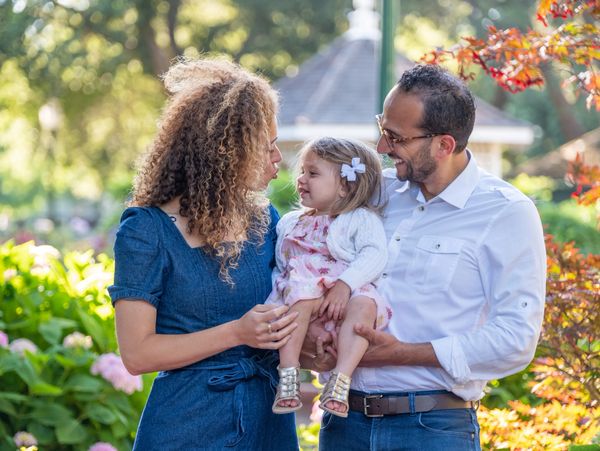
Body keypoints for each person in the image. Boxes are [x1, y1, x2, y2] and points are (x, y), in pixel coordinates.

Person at [307, 64, 546, 450]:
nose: (382, 149)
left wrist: (401, 355)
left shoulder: (506, 212)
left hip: (432, 429)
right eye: (383, 130)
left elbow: (516, 338)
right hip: (342, 425)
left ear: (444, 145)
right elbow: (310, 256)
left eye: (396, 138)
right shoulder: (371, 193)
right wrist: (312, 338)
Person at [108, 58, 299, 450]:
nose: (278, 158)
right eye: (267, 146)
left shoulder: (267, 220)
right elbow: (137, 354)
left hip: (268, 422)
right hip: (187, 426)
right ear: (227, 149)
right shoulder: (146, 231)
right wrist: (237, 332)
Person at [267, 137, 392, 418]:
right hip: (301, 299)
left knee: (367, 305)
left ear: (345, 185)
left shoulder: (359, 218)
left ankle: (340, 381)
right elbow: (282, 266)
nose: (301, 179)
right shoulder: (290, 222)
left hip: (343, 295)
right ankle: (288, 377)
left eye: (313, 173)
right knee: (301, 290)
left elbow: (375, 254)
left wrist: (345, 286)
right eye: (302, 171)